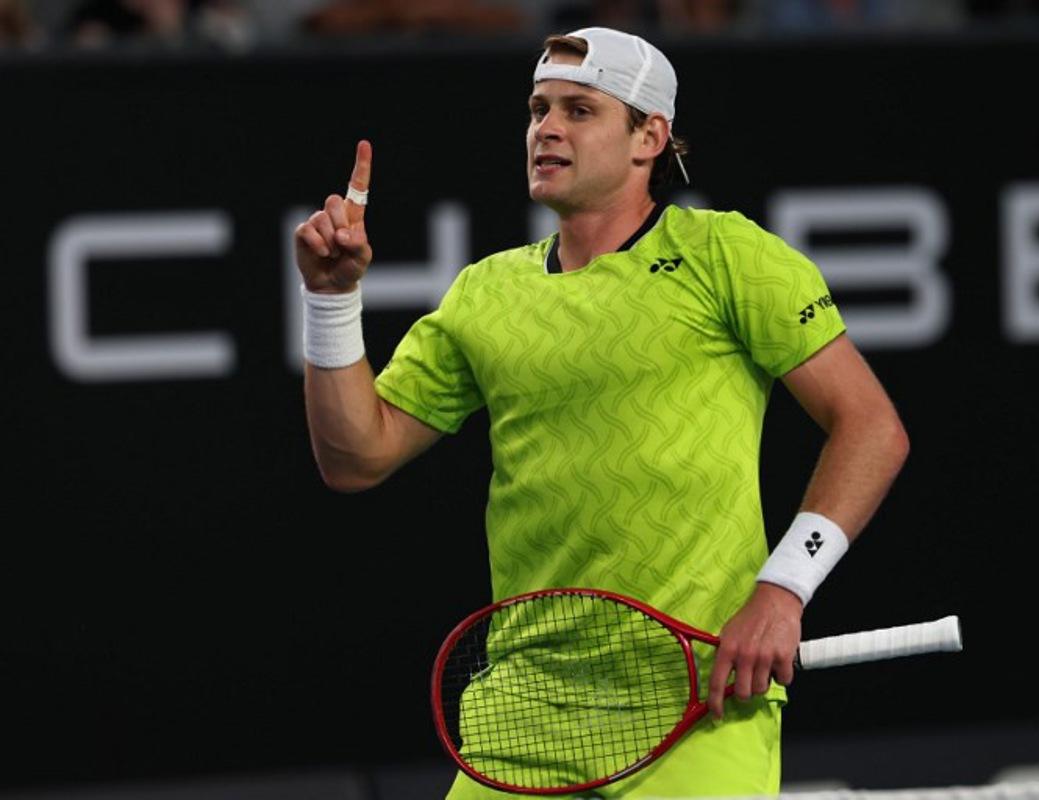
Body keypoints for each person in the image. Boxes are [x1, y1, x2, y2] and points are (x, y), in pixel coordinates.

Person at [296, 27, 909, 799]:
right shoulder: (485, 293)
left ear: (649, 137)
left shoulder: (724, 255)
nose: (546, 129)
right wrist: (331, 299)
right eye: (538, 109)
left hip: (699, 701)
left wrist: (782, 591)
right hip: (522, 711)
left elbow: (871, 427)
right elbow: (355, 458)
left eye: (579, 111)